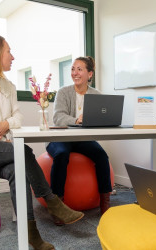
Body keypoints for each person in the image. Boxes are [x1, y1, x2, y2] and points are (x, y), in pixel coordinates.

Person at [0, 32, 84, 250]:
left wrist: (4, 125)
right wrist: (7, 131)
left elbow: (18, 118)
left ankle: (32, 235)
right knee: (23, 150)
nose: (12, 57)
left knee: (17, 169)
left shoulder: (8, 86)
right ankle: (52, 201)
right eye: (8, 51)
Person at [46, 56, 112, 217]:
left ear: (90, 74)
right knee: (61, 154)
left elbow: (102, 119)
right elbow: (58, 117)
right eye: (73, 69)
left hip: (83, 140)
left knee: (102, 156)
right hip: (61, 137)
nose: (75, 73)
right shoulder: (63, 92)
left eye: (79, 69)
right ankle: (58, 206)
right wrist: (76, 120)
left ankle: (105, 202)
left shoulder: (97, 94)